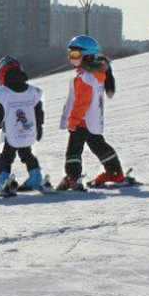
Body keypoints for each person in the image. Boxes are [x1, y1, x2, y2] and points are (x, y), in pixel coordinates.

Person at [58, 36, 126, 190]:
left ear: (87, 56)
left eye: (75, 54)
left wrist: (73, 121)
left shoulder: (87, 77)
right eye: (70, 54)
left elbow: (82, 102)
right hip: (93, 120)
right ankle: (115, 172)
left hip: (82, 121)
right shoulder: (96, 74)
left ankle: (72, 178)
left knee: (74, 150)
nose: (71, 58)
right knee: (98, 145)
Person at [0, 56, 46, 193]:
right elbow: (39, 111)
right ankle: (36, 176)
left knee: (6, 157)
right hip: (29, 133)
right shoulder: (32, 91)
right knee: (27, 154)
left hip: (12, 134)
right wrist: (39, 128)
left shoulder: (2, 93)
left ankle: (3, 180)